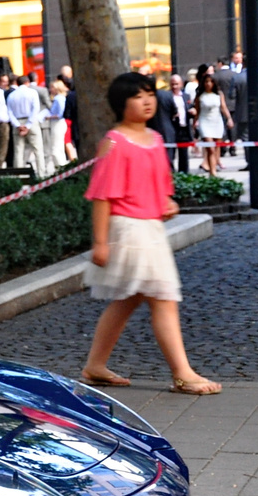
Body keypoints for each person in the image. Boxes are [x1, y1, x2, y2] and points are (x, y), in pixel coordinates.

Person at [80, 72, 220, 396]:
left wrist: (166, 204)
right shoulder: (114, 142)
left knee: (129, 299)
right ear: (121, 104)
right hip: (129, 230)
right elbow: (102, 196)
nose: (147, 101)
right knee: (163, 297)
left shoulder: (155, 139)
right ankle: (182, 373)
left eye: (149, 94)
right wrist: (100, 242)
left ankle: (95, 364)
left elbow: (160, 188)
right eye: (137, 96)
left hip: (150, 228)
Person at [7, 74, 47, 176]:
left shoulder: (12, 95)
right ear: (27, 82)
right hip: (31, 121)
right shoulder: (32, 92)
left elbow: (9, 112)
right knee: (38, 150)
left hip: (18, 122)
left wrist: (18, 125)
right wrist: (28, 125)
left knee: (18, 151)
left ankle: (19, 175)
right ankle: (41, 174)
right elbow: (35, 109)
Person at [152, 74, 192, 174]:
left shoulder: (186, 96)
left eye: (177, 84)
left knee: (184, 154)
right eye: (173, 84)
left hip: (183, 127)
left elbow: (190, 107)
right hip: (172, 128)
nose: (175, 86)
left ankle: (184, 173)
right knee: (171, 153)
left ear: (181, 84)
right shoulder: (167, 96)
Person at [193, 74, 227, 175]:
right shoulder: (200, 96)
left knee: (216, 148)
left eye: (210, 82)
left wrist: (229, 119)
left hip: (217, 121)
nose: (208, 84)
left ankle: (213, 169)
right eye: (206, 81)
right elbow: (197, 110)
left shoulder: (219, 94)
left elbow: (223, 107)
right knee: (210, 148)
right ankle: (212, 172)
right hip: (204, 122)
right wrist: (195, 121)